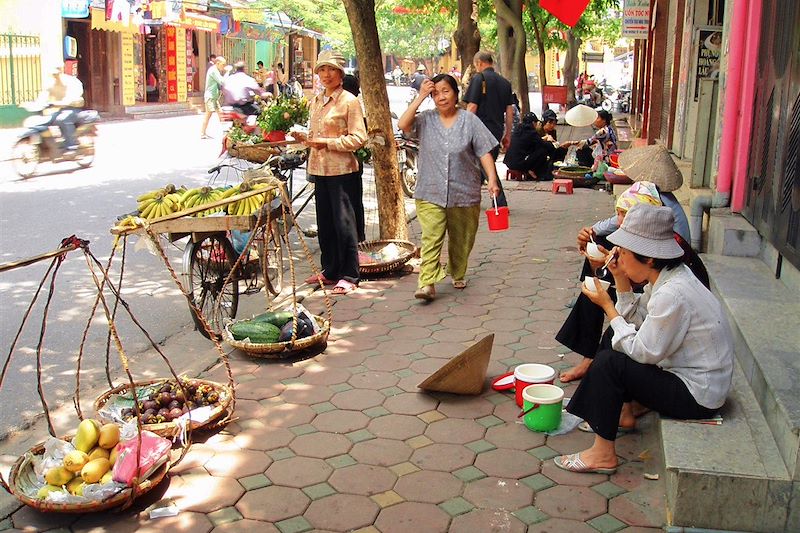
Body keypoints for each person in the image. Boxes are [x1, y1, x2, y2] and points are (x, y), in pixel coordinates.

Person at [554, 204, 733, 474]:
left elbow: (643, 351)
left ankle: (602, 455)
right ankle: (621, 413)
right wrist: (618, 277)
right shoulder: (667, 276)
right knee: (615, 335)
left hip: (698, 396)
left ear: (649, 258)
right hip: (685, 376)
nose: (619, 258)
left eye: (624, 254)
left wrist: (608, 306)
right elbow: (636, 320)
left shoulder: (672, 293)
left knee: (609, 363)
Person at [398, 74, 501, 301]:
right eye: (436, 93)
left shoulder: (469, 120)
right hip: (429, 190)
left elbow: (484, 151)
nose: (441, 97)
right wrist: (420, 96)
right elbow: (403, 124)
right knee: (431, 237)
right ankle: (426, 282)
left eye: (446, 91)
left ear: (456, 94)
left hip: (464, 191)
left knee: (462, 237)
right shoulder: (425, 119)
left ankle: (457, 270)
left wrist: (492, 179)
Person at [293, 50, 366, 295]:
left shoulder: (349, 101)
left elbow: (359, 138)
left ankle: (349, 274)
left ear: (340, 73)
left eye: (331, 69)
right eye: (322, 69)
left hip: (342, 171)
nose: (326, 75)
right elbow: (315, 136)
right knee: (325, 223)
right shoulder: (315, 101)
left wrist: (327, 142)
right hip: (319, 169)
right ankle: (330, 270)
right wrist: (303, 139)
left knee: (345, 224)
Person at [463, 50, 513, 208]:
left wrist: (462, 128)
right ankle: (468, 199)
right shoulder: (505, 82)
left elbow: (471, 106)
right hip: (497, 130)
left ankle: (500, 202)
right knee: (478, 165)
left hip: (479, 129)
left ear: (479, 63)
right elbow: (510, 111)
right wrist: (508, 134)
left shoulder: (479, 78)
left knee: (485, 165)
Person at [341, 73, 366, 242]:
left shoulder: (351, 105)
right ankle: (358, 236)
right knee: (355, 201)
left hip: (349, 165)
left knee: (351, 202)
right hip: (352, 166)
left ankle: (354, 238)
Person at [38, 66, 85, 152]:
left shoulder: (70, 82)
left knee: (62, 119)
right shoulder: (53, 83)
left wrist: (57, 103)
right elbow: (44, 94)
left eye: (56, 74)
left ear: (61, 72)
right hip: (61, 109)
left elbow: (70, 99)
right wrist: (37, 103)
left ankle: (72, 144)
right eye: (53, 74)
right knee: (48, 120)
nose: (55, 76)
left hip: (74, 108)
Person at [503, 112, 556, 181]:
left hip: (508, 162)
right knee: (542, 151)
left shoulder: (518, 129)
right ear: (533, 123)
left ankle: (530, 170)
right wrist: (551, 143)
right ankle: (531, 170)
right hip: (519, 164)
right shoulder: (531, 132)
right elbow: (542, 144)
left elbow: (531, 141)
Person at [200, 55, 226, 139]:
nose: (224, 67)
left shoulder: (215, 70)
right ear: (218, 63)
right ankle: (202, 133)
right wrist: (228, 72)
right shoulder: (213, 70)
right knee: (208, 114)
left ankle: (225, 133)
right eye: (223, 65)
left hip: (214, 97)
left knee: (221, 114)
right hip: (210, 97)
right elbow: (222, 81)